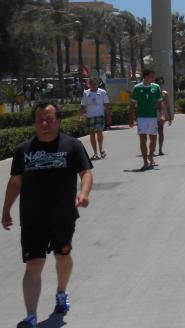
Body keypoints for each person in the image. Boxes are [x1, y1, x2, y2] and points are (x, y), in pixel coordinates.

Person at [2, 102, 93, 327]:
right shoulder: (23, 150)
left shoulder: (72, 145)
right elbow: (15, 182)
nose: (44, 124)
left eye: (49, 119)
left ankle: (61, 291)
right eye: (40, 120)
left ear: (58, 121)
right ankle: (31, 316)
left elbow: (86, 173)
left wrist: (83, 193)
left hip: (63, 216)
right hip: (32, 218)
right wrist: (6, 210)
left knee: (62, 256)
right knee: (34, 264)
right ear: (34, 123)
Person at [129, 69, 164, 171]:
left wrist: (162, 115)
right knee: (143, 139)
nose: (153, 78)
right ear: (145, 77)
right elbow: (132, 105)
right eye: (151, 76)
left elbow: (160, 103)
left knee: (153, 140)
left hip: (152, 117)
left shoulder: (156, 87)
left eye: (153, 76)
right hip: (141, 117)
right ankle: (145, 162)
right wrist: (131, 119)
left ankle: (150, 156)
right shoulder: (137, 88)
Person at [79, 77, 110, 160]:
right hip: (90, 116)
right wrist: (81, 117)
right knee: (92, 134)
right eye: (91, 84)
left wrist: (108, 116)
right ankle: (95, 153)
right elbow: (82, 105)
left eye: (94, 84)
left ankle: (101, 149)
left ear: (97, 84)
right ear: (89, 84)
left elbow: (107, 105)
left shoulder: (102, 92)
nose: (93, 86)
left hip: (100, 115)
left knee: (99, 132)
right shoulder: (86, 93)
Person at [155, 77, 173, 156]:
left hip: (161, 113)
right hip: (153, 113)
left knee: (160, 131)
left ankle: (160, 149)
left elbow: (167, 105)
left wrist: (169, 116)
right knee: (152, 132)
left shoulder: (165, 93)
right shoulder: (152, 92)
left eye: (161, 83)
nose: (160, 84)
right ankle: (152, 148)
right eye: (158, 83)